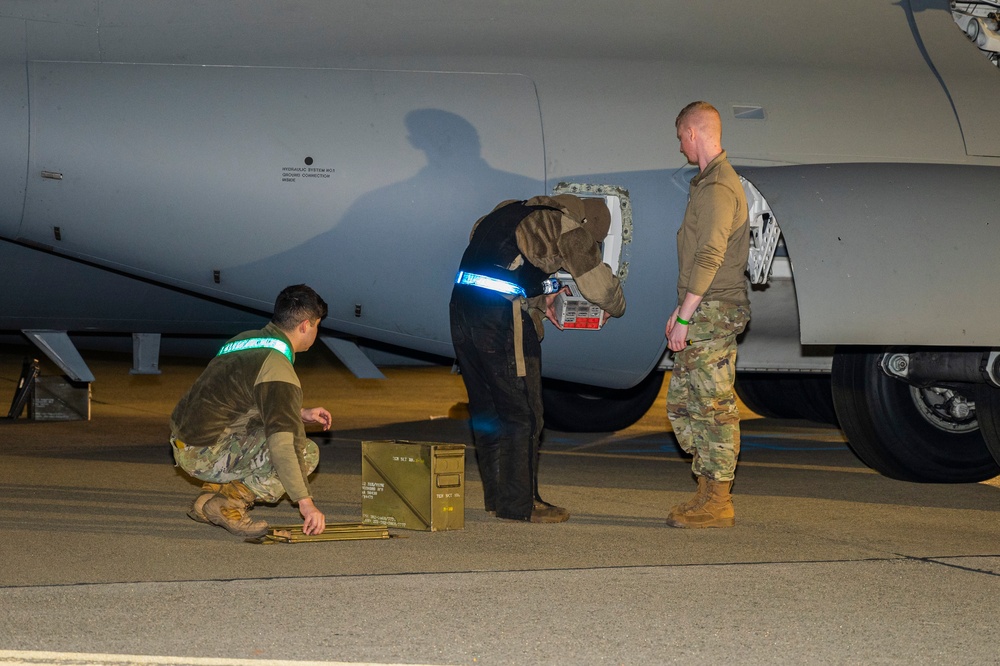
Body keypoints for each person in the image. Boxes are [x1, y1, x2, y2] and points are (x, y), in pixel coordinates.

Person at [450, 194, 626, 523]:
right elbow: (600, 289)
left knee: (489, 409)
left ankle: (499, 499)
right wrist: (618, 306)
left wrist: (540, 296)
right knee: (524, 413)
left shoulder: (506, 210)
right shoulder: (570, 227)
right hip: (500, 317)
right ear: (588, 224)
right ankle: (523, 504)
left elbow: (505, 265)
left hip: (461, 308)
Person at [170, 284, 333, 538]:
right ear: (305, 325)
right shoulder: (278, 366)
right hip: (204, 452)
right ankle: (228, 505)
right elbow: (283, 444)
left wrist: (298, 411)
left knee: (270, 427)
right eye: (317, 325)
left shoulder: (246, 340)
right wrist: (306, 503)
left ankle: (209, 496)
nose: (316, 332)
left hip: (185, 439)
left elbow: (238, 399)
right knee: (302, 449)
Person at [664, 101, 751, 529]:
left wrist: (685, 317)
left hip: (714, 311)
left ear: (693, 133)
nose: (679, 145)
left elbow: (712, 255)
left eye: (680, 136)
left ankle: (719, 501)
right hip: (702, 309)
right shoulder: (706, 184)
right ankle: (705, 493)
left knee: (713, 405)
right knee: (686, 403)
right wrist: (680, 311)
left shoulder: (718, 187)